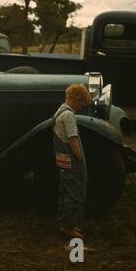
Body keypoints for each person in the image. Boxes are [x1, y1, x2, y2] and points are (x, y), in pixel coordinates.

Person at [53, 84, 91, 239]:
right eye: (82, 103)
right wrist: (80, 159)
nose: (81, 107)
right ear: (76, 99)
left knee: (65, 190)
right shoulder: (68, 115)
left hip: (62, 160)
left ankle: (63, 222)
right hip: (72, 160)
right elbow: (73, 139)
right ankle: (69, 227)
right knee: (75, 193)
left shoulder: (58, 112)